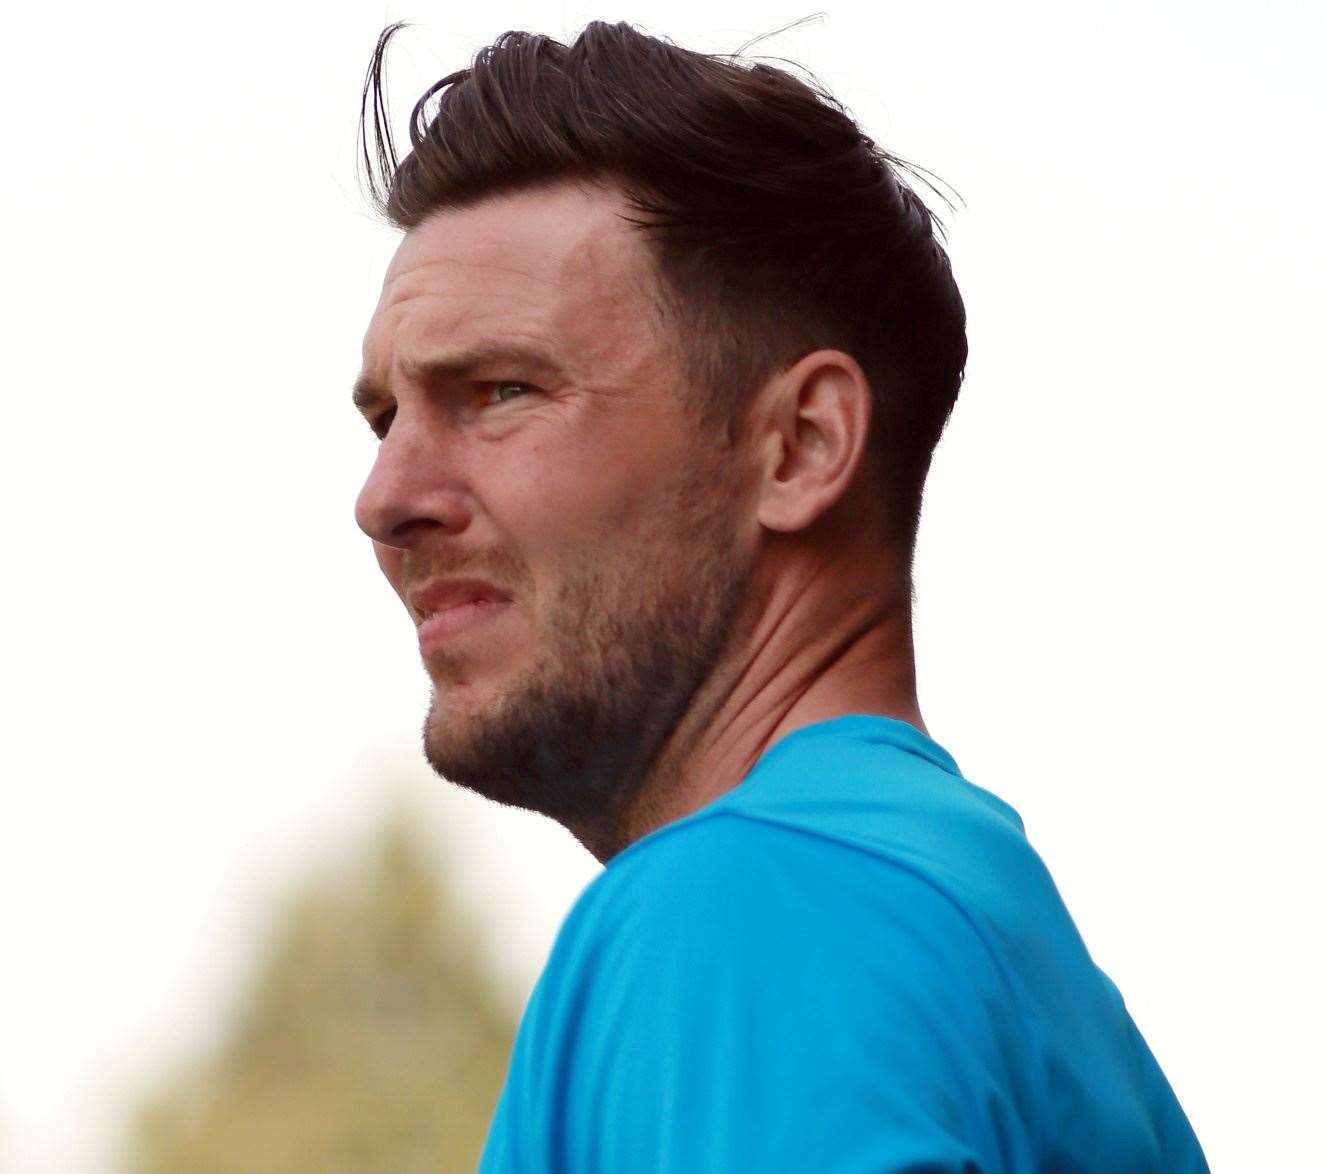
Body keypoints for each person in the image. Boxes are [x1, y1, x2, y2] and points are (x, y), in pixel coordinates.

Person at [350, 20, 1209, 1173]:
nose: (386, 494)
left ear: (801, 446)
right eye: (384, 417)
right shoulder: (967, 925)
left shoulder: (751, 910)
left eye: (502, 390)